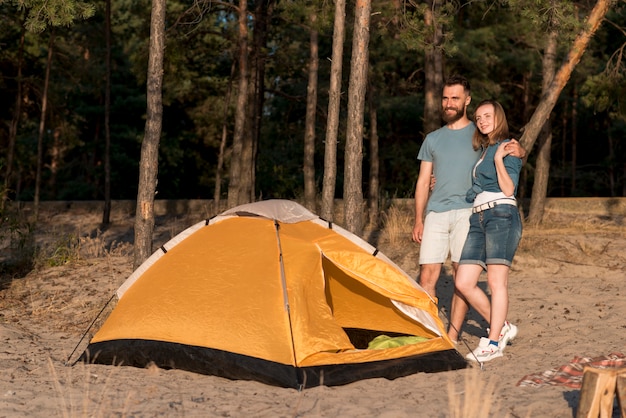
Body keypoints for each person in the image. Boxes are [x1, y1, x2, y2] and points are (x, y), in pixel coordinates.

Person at [412, 75, 523, 347]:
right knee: (427, 276)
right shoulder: (432, 139)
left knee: (462, 273)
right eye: (446, 98)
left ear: (467, 100)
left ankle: (453, 335)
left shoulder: (480, 133)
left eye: (455, 98)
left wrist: (520, 150)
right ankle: (433, 332)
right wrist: (418, 218)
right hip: (436, 212)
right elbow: (423, 180)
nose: (449, 103)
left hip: (469, 212)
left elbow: (508, 148)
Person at [455, 99, 523, 362]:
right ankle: (503, 326)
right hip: (479, 218)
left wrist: (498, 159)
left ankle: (493, 342)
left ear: (499, 118)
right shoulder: (485, 150)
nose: (482, 120)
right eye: (479, 117)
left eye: (488, 115)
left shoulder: (507, 147)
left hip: (501, 215)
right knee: (463, 281)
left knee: (496, 282)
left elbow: (508, 188)